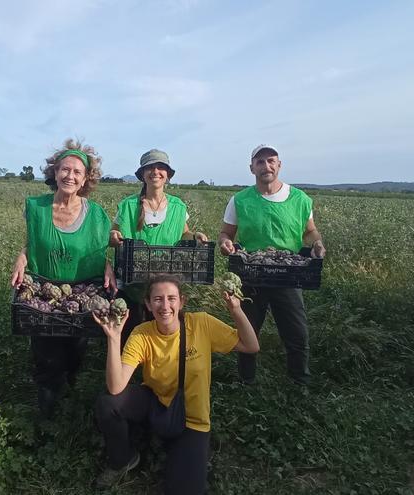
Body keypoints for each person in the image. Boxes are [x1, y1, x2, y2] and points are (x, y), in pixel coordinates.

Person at [93, 274, 259, 493]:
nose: (165, 306)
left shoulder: (201, 324)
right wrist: (114, 339)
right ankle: (123, 459)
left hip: (192, 418)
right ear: (148, 304)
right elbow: (116, 387)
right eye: (158, 299)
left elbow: (251, 345)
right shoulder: (142, 334)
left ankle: (175, 447)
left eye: (171, 298)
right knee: (108, 404)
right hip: (155, 400)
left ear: (182, 302)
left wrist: (235, 309)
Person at [10, 138, 115, 418]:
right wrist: (22, 256)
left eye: (77, 172)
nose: (70, 176)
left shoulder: (97, 215)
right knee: (46, 351)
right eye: (64, 170)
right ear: (55, 173)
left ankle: (69, 385)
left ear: (85, 180)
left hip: (82, 291)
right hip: (44, 291)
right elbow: (32, 242)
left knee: (76, 348)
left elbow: (99, 248)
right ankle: (48, 405)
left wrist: (108, 265)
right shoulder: (37, 207)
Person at [217, 144, 326, 386]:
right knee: (248, 330)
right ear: (251, 168)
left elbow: (309, 232)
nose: (266, 166)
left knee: (296, 333)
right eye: (260, 162)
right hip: (251, 272)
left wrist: (317, 242)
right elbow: (226, 234)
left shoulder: (300, 199)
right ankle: (246, 381)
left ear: (279, 165)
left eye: (271, 161)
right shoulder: (240, 200)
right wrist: (225, 244)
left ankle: (300, 382)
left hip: (288, 275)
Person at [109, 149, 208, 345]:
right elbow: (113, 236)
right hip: (134, 284)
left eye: (161, 168)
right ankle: (131, 372)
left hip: (166, 283)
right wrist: (114, 236)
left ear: (168, 175)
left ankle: (162, 372)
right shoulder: (128, 205)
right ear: (142, 174)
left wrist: (194, 236)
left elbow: (183, 233)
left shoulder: (178, 206)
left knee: (164, 336)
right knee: (132, 336)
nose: (155, 171)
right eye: (150, 168)